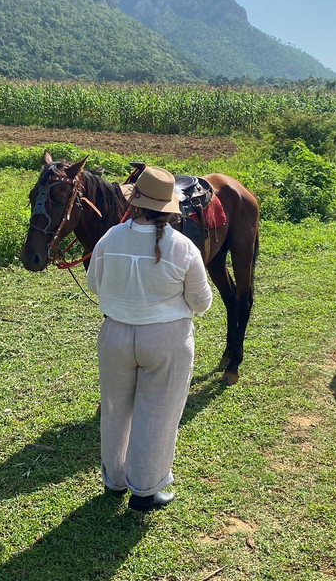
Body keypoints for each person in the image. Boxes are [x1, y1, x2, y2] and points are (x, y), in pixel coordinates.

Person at [87, 166, 212, 511]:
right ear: (169, 208)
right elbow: (201, 303)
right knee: (158, 411)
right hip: (166, 339)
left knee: (114, 408)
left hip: (114, 335)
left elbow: (95, 284)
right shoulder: (183, 246)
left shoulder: (109, 238)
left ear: (135, 203)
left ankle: (114, 479)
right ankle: (145, 489)